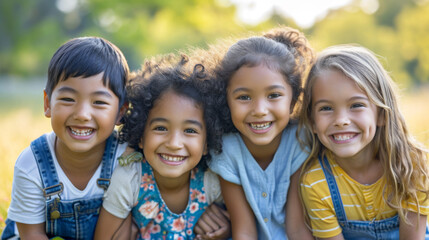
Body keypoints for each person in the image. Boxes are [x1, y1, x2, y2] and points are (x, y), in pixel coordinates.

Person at [1, 37, 130, 240]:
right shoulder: (32, 164)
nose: (82, 114)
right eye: (68, 99)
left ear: (120, 112)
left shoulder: (126, 157)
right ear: (47, 104)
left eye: (99, 102)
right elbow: (31, 234)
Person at [299, 45, 429, 239]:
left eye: (356, 105)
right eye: (326, 108)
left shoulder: (412, 165)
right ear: (313, 123)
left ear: (382, 114)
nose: (341, 120)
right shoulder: (316, 183)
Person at [94, 55, 230, 239]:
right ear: (141, 135)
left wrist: (226, 230)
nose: (174, 143)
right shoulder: (129, 180)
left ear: (207, 143)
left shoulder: (212, 180)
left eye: (189, 130)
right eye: (160, 128)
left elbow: (245, 225)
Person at [207, 26, 315, 239]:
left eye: (273, 95)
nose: (259, 110)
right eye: (244, 97)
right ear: (225, 100)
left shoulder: (299, 141)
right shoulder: (226, 149)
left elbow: (297, 227)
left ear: (293, 100)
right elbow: (244, 230)